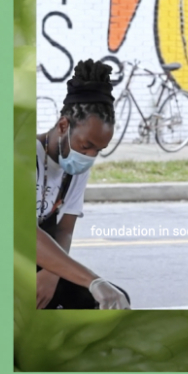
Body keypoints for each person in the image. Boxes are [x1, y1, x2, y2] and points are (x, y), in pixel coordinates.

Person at [32, 58, 128, 310]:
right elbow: (19, 232)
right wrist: (93, 281)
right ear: (64, 125)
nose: (90, 156)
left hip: (41, 261)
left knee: (114, 300)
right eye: (86, 145)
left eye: (99, 150)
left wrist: (51, 274)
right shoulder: (21, 157)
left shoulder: (75, 168)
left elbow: (64, 230)